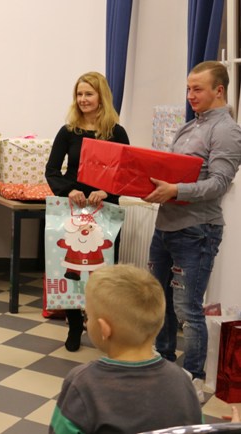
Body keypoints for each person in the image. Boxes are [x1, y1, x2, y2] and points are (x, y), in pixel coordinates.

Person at [144, 60, 241, 403]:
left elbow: (218, 184)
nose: (190, 95)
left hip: (197, 230)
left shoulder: (226, 130)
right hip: (166, 226)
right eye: (188, 88)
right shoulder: (189, 128)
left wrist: (176, 191)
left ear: (219, 90)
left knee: (188, 309)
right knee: (159, 302)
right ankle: (164, 365)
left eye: (197, 89)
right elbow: (172, 173)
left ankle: (194, 378)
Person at [49, 264, 203, 434]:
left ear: (104, 329)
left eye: (88, 316)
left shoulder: (82, 383)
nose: (86, 321)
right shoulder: (182, 381)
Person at [45, 71, 130, 352]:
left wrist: (108, 192)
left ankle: (98, 323)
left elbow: (126, 173)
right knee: (68, 268)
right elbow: (52, 170)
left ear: (101, 96)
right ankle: (72, 326)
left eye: (88, 94)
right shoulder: (68, 131)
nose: (83, 99)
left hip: (105, 210)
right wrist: (68, 190)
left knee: (102, 271)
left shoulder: (116, 132)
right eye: (79, 94)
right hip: (73, 209)